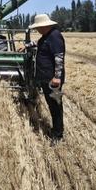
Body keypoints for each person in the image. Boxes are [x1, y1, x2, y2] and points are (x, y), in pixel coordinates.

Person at [29, 14, 65, 142]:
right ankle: (57, 131)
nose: (37, 30)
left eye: (38, 27)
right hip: (46, 78)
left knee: (56, 106)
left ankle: (58, 134)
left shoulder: (55, 36)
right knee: (52, 105)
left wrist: (57, 77)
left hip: (53, 81)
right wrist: (27, 46)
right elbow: (38, 43)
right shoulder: (46, 37)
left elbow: (59, 57)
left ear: (45, 26)